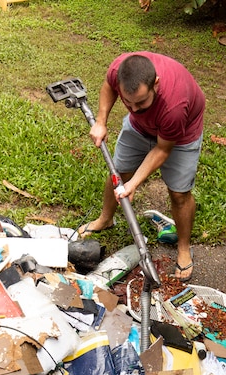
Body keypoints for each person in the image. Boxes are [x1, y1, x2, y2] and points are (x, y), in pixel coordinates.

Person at [78, 52, 205, 281]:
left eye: (142, 102)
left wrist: (134, 184)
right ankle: (105, 219)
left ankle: (184, 249)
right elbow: (108, 86)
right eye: (129, 102)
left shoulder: (174, 105)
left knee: (179, 193)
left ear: (155, 83)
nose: (134, 109)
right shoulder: (120, 70)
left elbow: (162, 150)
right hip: (139, 129)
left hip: (180, 135)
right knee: (118, 172)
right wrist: (101, 121)